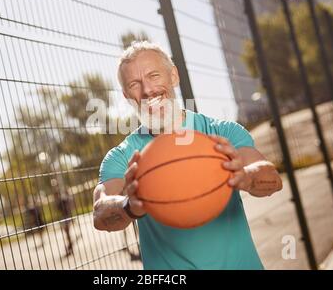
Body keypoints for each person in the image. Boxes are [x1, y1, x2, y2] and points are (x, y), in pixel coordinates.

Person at [93, 41, 283, 270]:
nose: (147, 90)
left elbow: (272, 178)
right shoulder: (122, 156)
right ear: (126, 95)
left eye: (154, 75)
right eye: (135, 84)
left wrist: (245, 176)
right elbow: (100, 212)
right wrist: (129, 205)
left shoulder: (221, 132)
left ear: (173, 76)